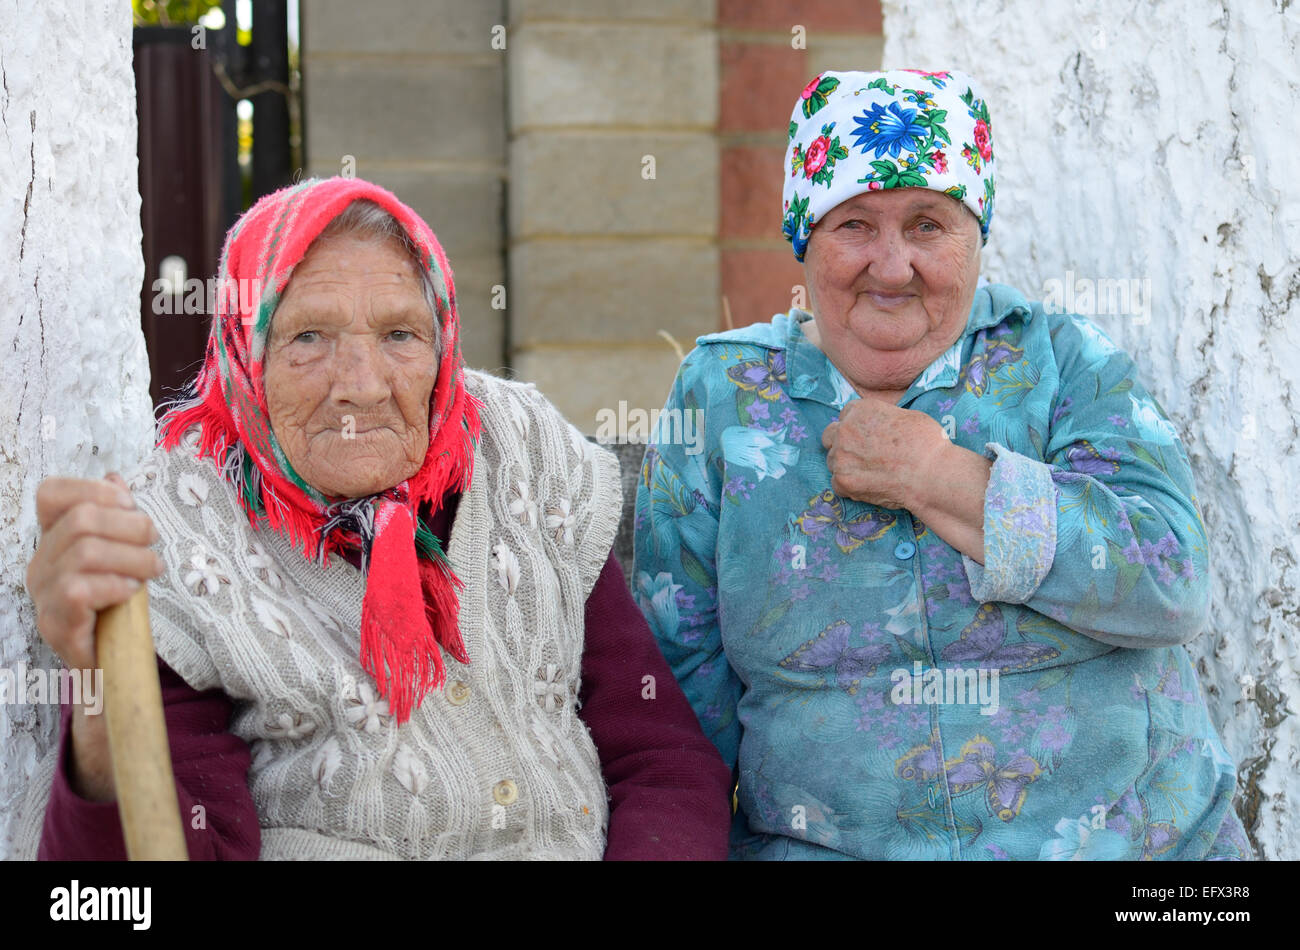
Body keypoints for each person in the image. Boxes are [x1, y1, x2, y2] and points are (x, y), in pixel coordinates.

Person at [633, 68, 1251, 860]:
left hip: (1134, 847)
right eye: (853, 225)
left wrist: (942, 478)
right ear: (804, 238)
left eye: (928, 225)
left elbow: (1171, 582)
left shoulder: (1060, 364)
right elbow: (680, 694)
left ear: (975, 237)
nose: (892, 268)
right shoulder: (723, 396)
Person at [21, 176, 731, 860]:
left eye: (398, 334)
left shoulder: (521, 453)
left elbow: (660, 756)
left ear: (443, 345)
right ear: (245, 355)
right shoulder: (171, 535)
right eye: (308, 338)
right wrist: (99, 703)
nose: (359, 385)